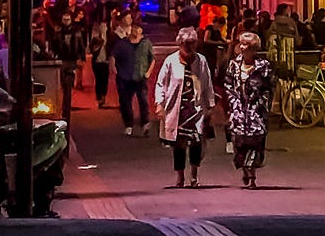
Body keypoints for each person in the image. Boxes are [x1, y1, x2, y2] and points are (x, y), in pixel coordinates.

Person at [154, 26, 215, 188]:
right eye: (187, 43)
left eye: (193, 43)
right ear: (180, 44)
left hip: (195, 109)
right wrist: (159, 104)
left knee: (196, 142)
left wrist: (210, 106)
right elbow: (161, 84)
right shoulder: (170, 61)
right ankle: (180, 177)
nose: (190, 47)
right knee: (178, 145)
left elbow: (207, 83)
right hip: (177, 109)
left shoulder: (201, 61)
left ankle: (194, 176)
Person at [223, 32, 275, 189]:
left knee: (256, 142)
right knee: (240, 143)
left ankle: (252, 174)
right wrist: (233, 103)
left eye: (246, 45)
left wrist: (263, 103)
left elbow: (270, 87)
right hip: (238, 111)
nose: (242, 47)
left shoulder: (263, 66)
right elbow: (228, 85)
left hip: (256, 111)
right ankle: (245, 169)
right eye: (241, 44)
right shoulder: (234, 65)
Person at [112, 22, 155, 136]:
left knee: (143, 101)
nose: (136, 33)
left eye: (139, 31)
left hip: (140, 77)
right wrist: (115, 69)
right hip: (125, 77)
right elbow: (113, 56)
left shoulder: (146, 44)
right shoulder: (122, 44)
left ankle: (145, 123)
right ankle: (128, 124)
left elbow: (152, 58)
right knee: (125, 102)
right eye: (134, 30)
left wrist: (148, 72)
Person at [53, 12, 85, 124]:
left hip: (72, 60)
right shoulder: (58, 32)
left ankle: (66, 109)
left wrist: (82, 58)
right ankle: (63, 106)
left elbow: (81, 44)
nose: (66, 22)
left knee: (68, 85)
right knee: (62, 84)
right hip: (61, 60)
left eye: (67, 19)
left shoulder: (76, 31)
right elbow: (54, 45)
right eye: (64, 19)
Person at [89, 12, 112, 108]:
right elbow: (92, 49)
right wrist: (99, 45)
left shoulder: (109, 37)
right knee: (98, 80)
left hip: (105, 62)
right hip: (97, 62)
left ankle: (103, 97)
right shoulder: (96, 38)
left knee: (105, 80)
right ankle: (99, 98)